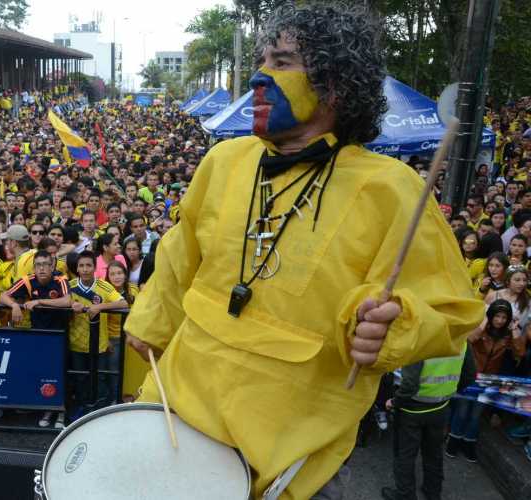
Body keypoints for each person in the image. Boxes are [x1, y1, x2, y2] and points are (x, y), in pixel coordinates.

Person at [123, 4, 482, 497]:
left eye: (282, 62)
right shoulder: (224, 160)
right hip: (179, 416)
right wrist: (150, 324)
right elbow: (178, 256)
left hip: (291, 458)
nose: (258, 77)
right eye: (263, 60)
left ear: (334, 84)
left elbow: (455, 310)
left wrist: (393, 328)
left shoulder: (391, 188)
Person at [381, 344, 473, 500]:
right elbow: (469, 375)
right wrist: (447, 391)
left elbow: (409, 385)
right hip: (441, 407)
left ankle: (405, 496)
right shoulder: (462, 339)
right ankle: (433, 493)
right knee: (434, 454)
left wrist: (395, 402)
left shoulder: (422, 338)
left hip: (412, 410)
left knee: (405, 455)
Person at [446, 300, 527, 463]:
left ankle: (469, 443)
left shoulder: (507, 334)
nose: (500, 320)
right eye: (497, 316)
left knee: (476, 414)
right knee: (462, 410)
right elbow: (469, 339)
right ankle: (453, 440)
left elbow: (520, 352)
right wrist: (484, 321)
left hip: (489, 380)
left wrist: (515, 331)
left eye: (504, 317)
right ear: (491, 316)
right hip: (469, 375)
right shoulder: (482, 329)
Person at [0, 250, 71, 428]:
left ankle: (60, 413)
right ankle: (46, 409)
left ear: (53, 266)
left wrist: (40, 302)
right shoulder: (28, 280)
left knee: (60, 373)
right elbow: (3, 296)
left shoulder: (60, 280)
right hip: (38, 336)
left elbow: (67, 301)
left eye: (46, 264)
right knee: (43, 373)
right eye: (38, 265)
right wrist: (15, 305)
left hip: (59, 335)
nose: (42, 268)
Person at [69, 250, 127, 415]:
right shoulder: (70, 286)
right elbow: (59, 302)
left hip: (100, 344)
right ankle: (82, 408)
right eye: (81, 266)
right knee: (80, 377)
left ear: (95, 267)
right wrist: (70, 305)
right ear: (77, 269)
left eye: (89, 265)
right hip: (76, 343)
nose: (85, 269)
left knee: (100, 377)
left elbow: (122, 303)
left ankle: (99, 412)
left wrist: (99, 307)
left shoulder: (104, 286)